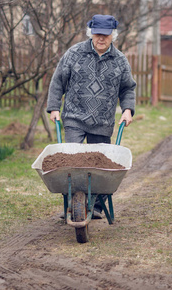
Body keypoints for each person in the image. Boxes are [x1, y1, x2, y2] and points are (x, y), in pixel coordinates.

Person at [47, 14, 136, 219]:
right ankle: (73, 203)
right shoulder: (75, 53)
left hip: (102, 121)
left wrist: (128, 109)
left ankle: (95, 206)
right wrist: (53, 107)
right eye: (97, 34)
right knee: (71, 163)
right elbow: (58, 80)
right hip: (74, 117)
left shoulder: (120, 60)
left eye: (105, 35)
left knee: (101, 167)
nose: (101, 39)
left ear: (113, 35)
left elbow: (128, 89)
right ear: (91, 34)